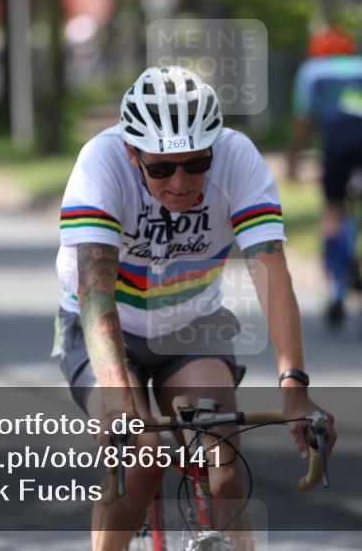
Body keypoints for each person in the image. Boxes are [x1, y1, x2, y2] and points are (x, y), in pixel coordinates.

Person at [53, 66, 336, 550]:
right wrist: (121, 405)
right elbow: (96, 296)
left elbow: (271, 273)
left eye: (196, 163)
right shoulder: (101, 162)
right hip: (104, 327)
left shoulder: (237, 158)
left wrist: (294, 386)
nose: (181, 182)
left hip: (192, 323)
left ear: (214, 149)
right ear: (132, 153)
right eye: (161, 168)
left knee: (223, 470)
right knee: (141, 458)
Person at [287, 25, 362, 327]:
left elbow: (304, 120)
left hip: (338, 137)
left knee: (334, 210)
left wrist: (294, 159)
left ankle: (336, 287)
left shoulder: (311, 71)